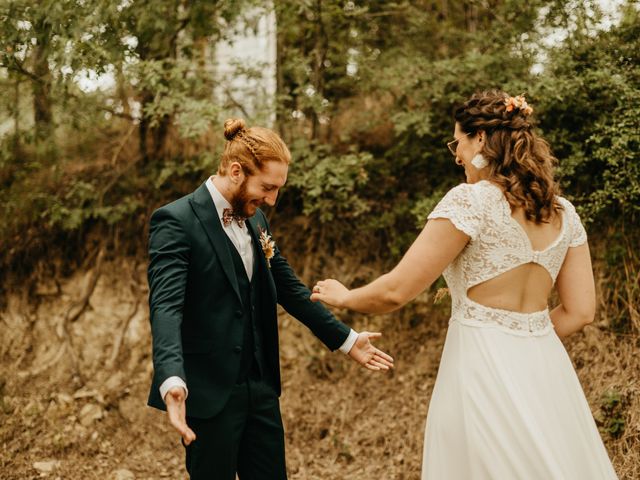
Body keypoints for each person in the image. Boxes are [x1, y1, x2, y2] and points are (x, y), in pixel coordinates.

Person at [311, 90, 618, 479]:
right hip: (546, 369)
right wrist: (526, 337)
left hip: (480, 366)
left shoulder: (470, 202)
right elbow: (580, 312)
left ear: (480, 140)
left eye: (456, 142)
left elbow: (395, 292)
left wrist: (345, 297)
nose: (455, 155)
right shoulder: (563, 212)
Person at [147, 118, 394, 480]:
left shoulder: (257, 218)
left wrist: (346, 339)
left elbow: (290, 290)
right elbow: (166, 307)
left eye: (278, 189)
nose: (272, 199)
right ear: (235, 171)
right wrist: (171, 379)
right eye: (267, 187)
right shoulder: (176, 220)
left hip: (261, 389)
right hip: (209, 392)